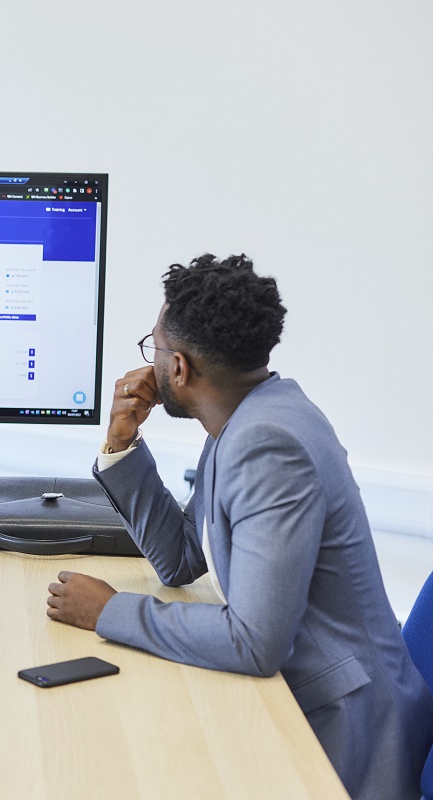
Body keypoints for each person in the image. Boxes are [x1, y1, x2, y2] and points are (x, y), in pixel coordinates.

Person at [45, 254, 433, 799]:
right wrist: (122, 443)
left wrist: (107, 610)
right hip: (302, 702)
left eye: (152, 349)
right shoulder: (247, 416)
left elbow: (255, 642)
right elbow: (180, 559)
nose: (149, 365)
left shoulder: (268, 444)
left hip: (345, 734)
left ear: (178, 369)